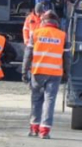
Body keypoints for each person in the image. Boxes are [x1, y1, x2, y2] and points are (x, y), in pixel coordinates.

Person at [22, 10, 66, 139]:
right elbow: (67, 57)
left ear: (43, 21)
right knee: (49, 100)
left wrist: (24, 71)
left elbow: (27, 54)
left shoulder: (36, 34)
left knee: (36, 99)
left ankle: (34, 128)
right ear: (56, 22)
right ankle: (45, 131)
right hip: (55, 73)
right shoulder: (62, 35)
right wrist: (66, 73)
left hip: (38, 72)